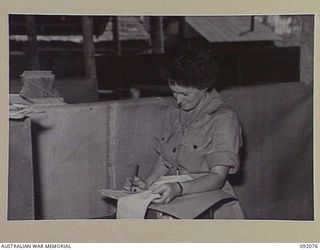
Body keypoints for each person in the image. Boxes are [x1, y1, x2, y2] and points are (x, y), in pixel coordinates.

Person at [125, 51, 244, 219]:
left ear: (204, 88)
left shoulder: (223, 118)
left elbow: (218, 177)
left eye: (185, 94)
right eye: (174, 93)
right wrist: (147, 183)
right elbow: (165, 160)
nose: (178, 100)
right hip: (175, 199)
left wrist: (179, 188)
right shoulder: (174, 113)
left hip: (208, 204)